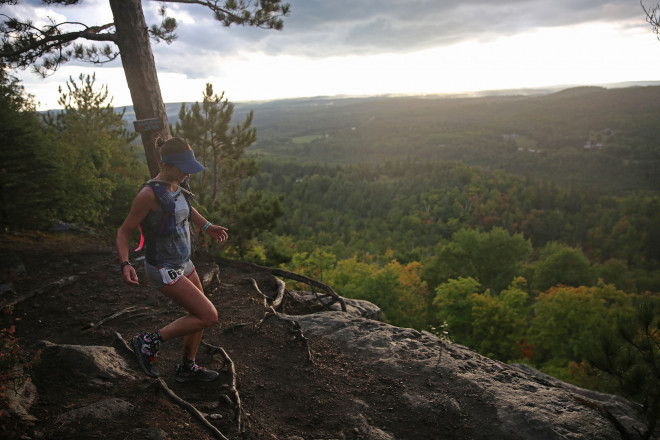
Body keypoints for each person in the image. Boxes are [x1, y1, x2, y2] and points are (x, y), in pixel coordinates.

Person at [116, 137, 229, 382]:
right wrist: (125, 263)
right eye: (183, 168)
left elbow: (186, 207)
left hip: (184, 263)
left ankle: (187, 367)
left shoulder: (177, 185)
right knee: (208, 315)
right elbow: (124, 231)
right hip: (163, 267)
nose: (188, 173)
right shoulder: (148, 194)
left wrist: (207, 226)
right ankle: (148, 342)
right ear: (167, 165)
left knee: (197, 314)